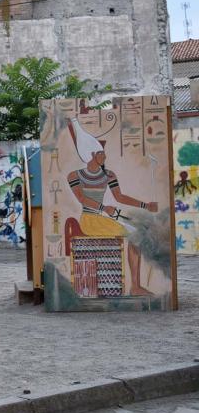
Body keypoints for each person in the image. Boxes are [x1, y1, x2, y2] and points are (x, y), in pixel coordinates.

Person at [67, 118, 159, 296]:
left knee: (139, 231)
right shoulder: (74, 175)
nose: (105, 156)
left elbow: (120, 197)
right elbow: (81, 199)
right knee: (135, 235)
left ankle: (135, 286)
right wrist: (102, 208)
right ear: (92, 155)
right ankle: (135, 287)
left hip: (103, 217)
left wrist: (146, 205)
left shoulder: (109, 174)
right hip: (90, 220)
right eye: (101, 153)